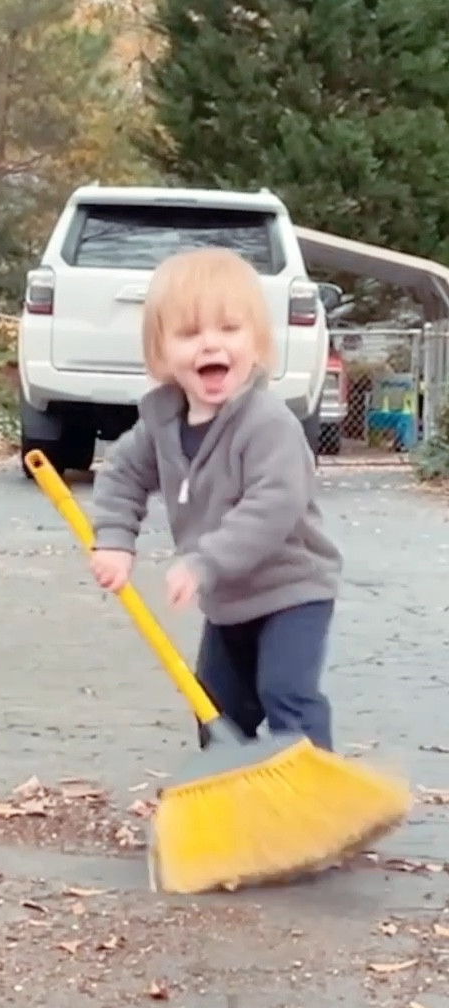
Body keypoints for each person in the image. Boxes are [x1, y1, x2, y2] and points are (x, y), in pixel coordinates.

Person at [89, 246, 343, 751]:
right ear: (161, 353)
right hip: (228, 600)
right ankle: (231, 791)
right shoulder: (160, 425)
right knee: (217, 706)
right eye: (189, 334)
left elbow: (272, 507)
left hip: (293, 589)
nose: (211, 345)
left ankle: (317, 795)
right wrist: (115, 540)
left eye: (229, 330)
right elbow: (121, 475)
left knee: (284, 693)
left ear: (257, 342)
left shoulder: (268, 424)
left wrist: (204, 563)